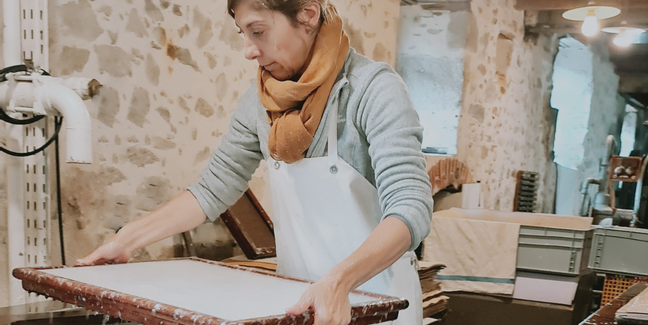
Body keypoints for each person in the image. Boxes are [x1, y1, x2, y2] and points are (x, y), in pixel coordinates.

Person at [78, 1, 433, 324]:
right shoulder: (259, 104)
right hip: (296, 305)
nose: (249, 50)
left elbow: (410, 207)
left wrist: (339, 281)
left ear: (308, 15)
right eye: (244, 34)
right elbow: (212, 190)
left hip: (381, 305)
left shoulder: (372, 91)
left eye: (258, 31)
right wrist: (127, 239)